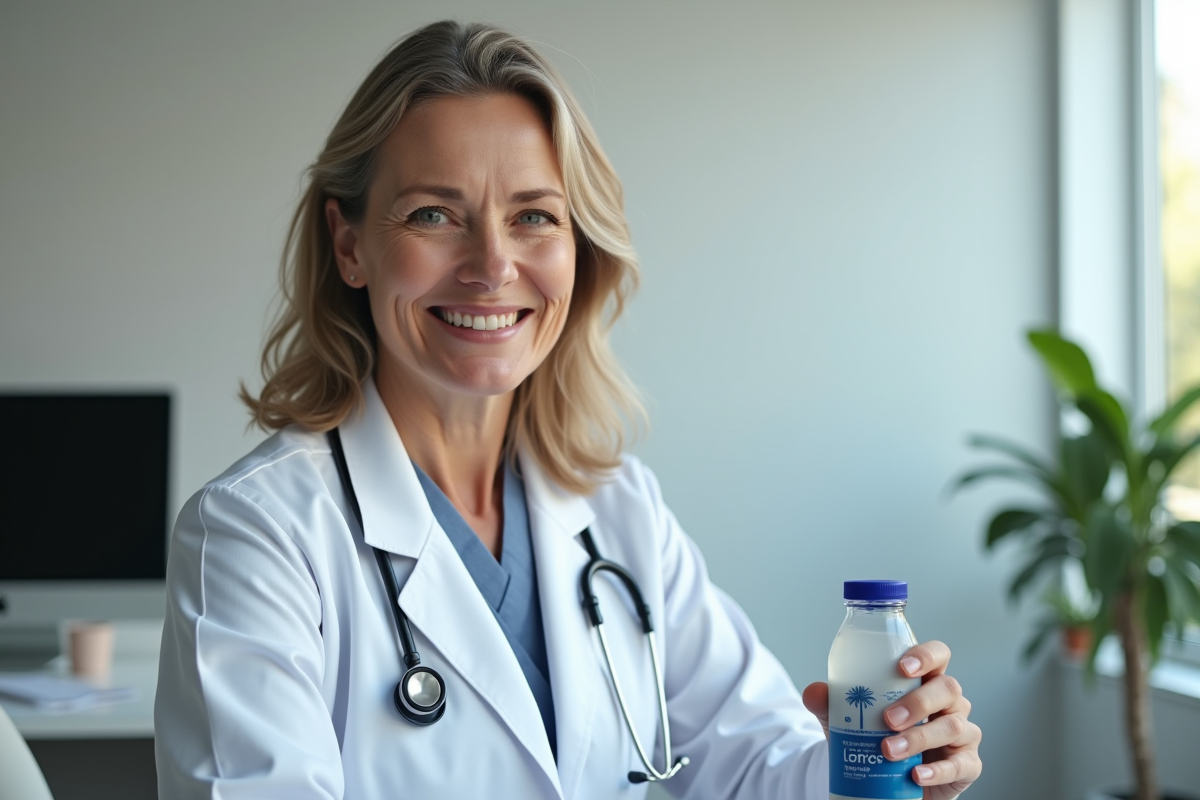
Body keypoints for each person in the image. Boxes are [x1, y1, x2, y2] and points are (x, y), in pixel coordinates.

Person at [154, 20, 983, 800]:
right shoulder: (255, 534)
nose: (491, 265)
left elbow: (758, 761)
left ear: (577, 250)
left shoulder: (617, 511)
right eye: (434, 215)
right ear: (349, 245)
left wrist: (890, 761)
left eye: (534, 218)